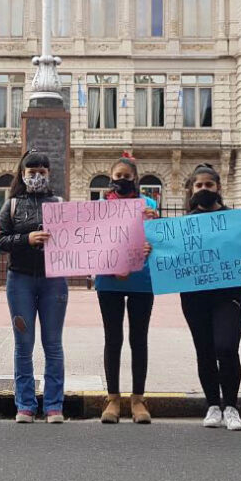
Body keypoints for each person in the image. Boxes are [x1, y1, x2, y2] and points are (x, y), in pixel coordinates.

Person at [179, 164, 241, 432]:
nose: (203, 189)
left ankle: (231, 406)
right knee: (204, 350)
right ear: (191, 190)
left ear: (218, 188)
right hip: (194, 297)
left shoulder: (235, 220)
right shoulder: (181, 225)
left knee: (226, 347)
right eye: (198, 185)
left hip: (229, 296)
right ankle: (213, 404)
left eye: (208, 185)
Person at [0, 151, 68, 424]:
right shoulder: (11, 205)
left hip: (54, 282)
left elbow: (76, 237)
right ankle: (25, 404)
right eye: (32, 171)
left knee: (53, 344)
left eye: (42, 170)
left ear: (49, 173)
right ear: (22, 173)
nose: (37, 175)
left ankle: (53, 405)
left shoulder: (59, 203)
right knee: (23, 344)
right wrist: (27, 239)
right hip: (20, 280)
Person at [93, 152, 157, 424]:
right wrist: (112, 266)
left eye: (127, 177)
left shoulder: (150, 205)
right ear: (111, 179)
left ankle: (138, 399)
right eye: (118, 177)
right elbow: (93, 245)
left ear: (135, 179)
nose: (122, 180)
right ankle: (113, 399)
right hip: (109, 280)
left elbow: (158, 243)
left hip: (142, 278)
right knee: (113, 338)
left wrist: (153, 230)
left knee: (138, 338)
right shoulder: (100, 207)